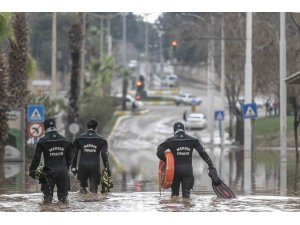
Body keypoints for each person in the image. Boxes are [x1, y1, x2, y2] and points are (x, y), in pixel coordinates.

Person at [156, 122, 221, 199]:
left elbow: (159, 152)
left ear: (174, 130)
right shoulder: (193, 140)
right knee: (187, 197)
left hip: (174, 172)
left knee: (174, 196)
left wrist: (168, 161)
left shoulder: (170, 141)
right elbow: (202, 153)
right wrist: (210, 165)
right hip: (188, 172)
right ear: (184, 130)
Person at [29, 118, 73, 204]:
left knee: (47, 202)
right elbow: (70, 157)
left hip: (48, 173)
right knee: (64, 201)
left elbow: (36, 158)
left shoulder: (42, 141)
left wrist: (32, 171)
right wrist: (66, 168)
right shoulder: (66, 140)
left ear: (45, 128)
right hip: (63, 173)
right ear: (55, 127)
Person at [71, 118, 111, 194]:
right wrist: (107, 168)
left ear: (87, 127)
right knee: (94, 192)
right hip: (95, 167)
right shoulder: (102, 140)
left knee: (82, 190)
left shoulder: (79, 139)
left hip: (82, 166)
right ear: (96, 128)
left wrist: (73, 167)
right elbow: (104, 155)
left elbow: (74, 154)